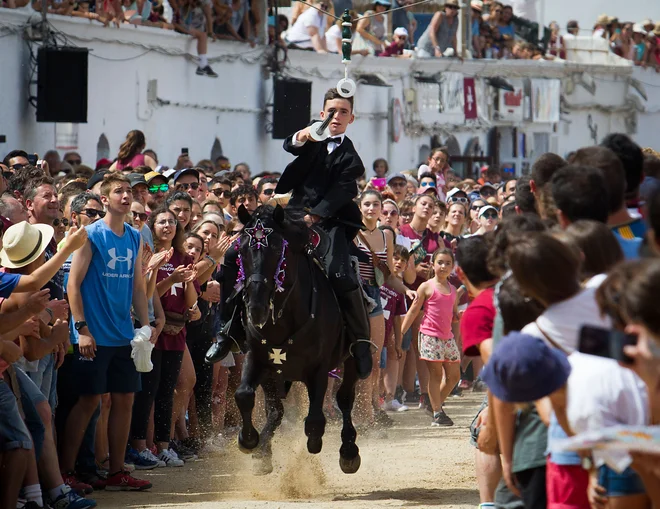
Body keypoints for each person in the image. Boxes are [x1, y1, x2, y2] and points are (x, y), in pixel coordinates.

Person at [62, 173, 155, 491]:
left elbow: (138, 288)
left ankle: (117, 472)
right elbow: (72, 284)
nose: (127, 196)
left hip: (124, 336)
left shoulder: (134, 236)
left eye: (129, 191)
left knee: (125, 400)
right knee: (89, 402)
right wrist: (82, 329)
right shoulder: (90, 234)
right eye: (119, 191)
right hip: (93, 337)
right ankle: (65, 474)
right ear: (104, 200)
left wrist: (146, 326)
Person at [402, 247, 459, 426]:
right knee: (435, 374)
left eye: (447, 263)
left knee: (454, 376)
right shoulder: (426, 286)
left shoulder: (453, 289)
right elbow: (412, 311)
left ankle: (434, 405)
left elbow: (455, 315)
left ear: (452, 266)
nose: (443, 266)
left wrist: (461, 316)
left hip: (447, 337)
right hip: (429, 336)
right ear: (433, 265)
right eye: (440, 262)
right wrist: (401, 333)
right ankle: (437, 413)